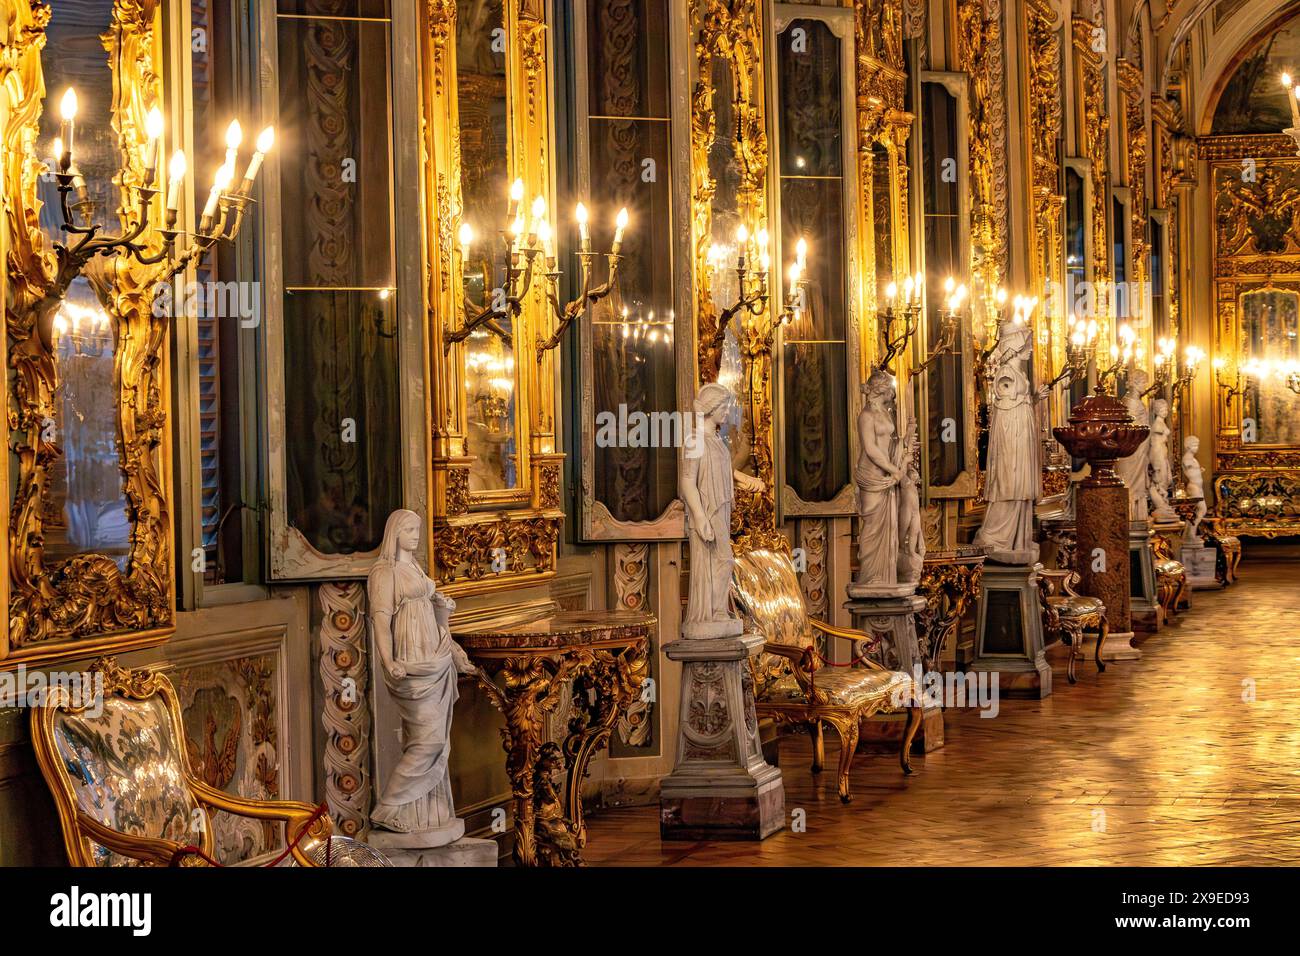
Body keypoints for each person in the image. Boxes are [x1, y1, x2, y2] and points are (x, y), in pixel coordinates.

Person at [368, 509, 476, 843]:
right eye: (410, 530)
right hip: (411, 660)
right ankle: (388, 806)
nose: (416, 535)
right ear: (395, 532)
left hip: (433, 654)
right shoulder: (384, 573)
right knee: (426, 740)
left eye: (418, 529)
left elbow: (428, 607)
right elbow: (380, 621)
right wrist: (388, 660)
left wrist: (442, 611)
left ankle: (427, 814)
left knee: (433, 738)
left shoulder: (414, 566)